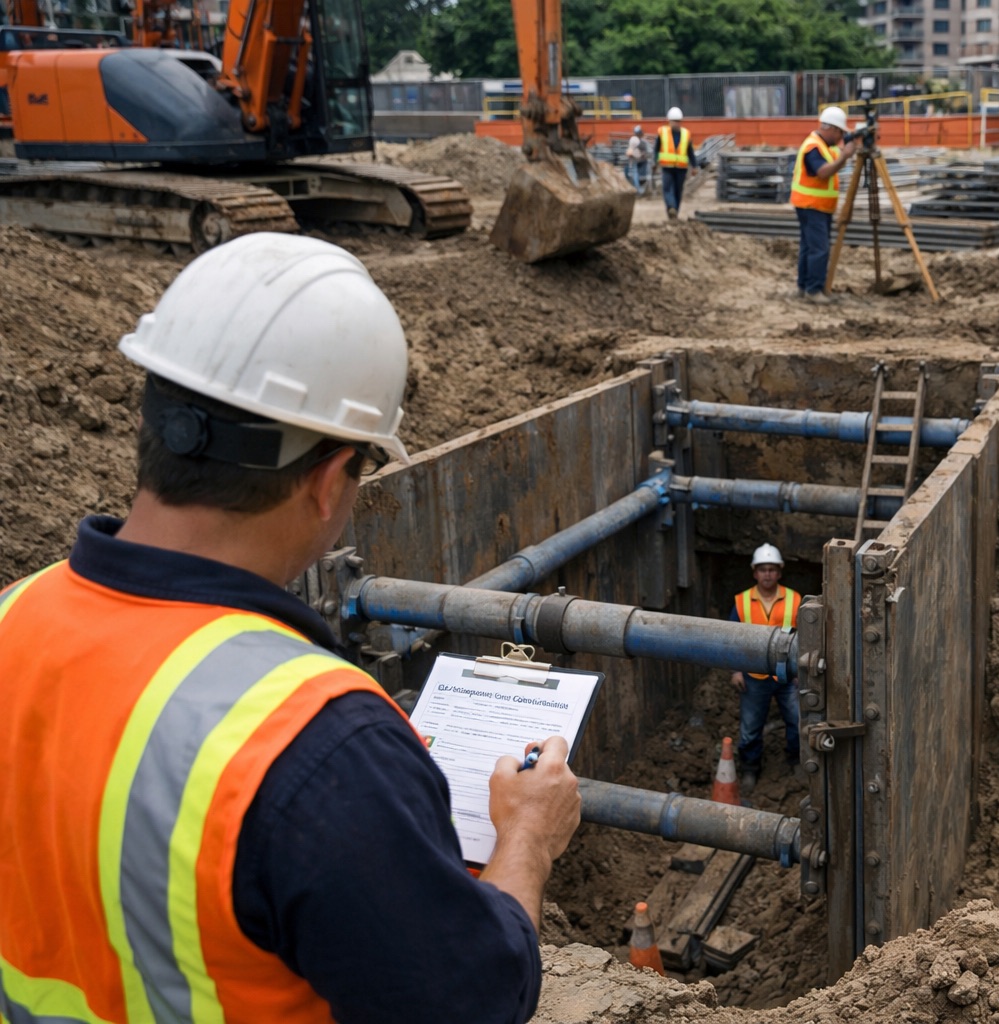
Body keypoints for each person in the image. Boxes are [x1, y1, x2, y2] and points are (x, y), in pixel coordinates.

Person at [0, 234, 582, 1023]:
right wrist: (527, 838)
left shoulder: (14, 616)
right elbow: (473, 1002)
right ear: (327, 478)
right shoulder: (318, 748)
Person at [727, 543, 802, 792]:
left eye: (772, 569)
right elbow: (731, 639)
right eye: (763, 570)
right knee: (749, 728)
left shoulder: (795, 599)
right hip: (754, 676)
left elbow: (805, 638)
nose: (767, 574)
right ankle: (750, 769)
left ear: (779, 572)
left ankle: (796, 760)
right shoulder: (741, 602)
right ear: (754, 573)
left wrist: (801, 672)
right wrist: (736, 671)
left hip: (787, 676)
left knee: (798, 722)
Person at [790, 105, 862, 304]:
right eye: (840, 132)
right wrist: (846, 155)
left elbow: (834, 162)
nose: (841, 138)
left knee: (808, 247)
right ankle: (813, 290)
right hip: (812, 205)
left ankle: (804, 287)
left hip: (814, 205)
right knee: (819, 249)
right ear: (831, 128)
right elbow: (823, 172)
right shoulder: (814, 147)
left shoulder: (824, 145)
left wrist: (846, 151)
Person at [655, 106, 699, 221]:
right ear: (669, 121)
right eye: (674, 121)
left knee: (678, 191)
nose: (676, 124)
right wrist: (654, 162)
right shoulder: (662, 132)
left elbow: (690, 152)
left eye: (678, 121)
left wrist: (694, 166)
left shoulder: (686, 134)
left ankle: (675, 214)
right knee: (667, 189)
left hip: (681, 168)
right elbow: (656, 148)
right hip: (667, 167)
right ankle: (671, 207)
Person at [625, 124, 648, 196]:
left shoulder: (634, 139)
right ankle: (638, 189)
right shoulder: (641, 141)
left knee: (635, 174)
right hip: (641, 159)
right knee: (637, 174)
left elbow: (630, 151)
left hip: (636, 159)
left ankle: (637, 189)